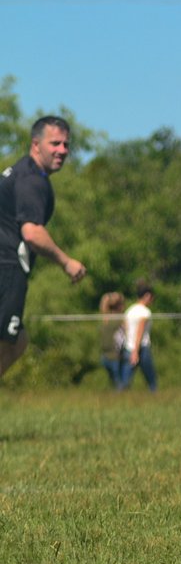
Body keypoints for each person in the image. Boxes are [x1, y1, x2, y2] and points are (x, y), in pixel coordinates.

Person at [0, 116, 87, 378]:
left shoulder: (20, 171)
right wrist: (66, 262)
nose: (62, 150)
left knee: (18, 340)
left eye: (66, 145)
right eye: (55, 143)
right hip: (6, 268)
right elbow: (33, 233)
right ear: (36, 144)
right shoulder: (32, 180)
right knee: (9, 342)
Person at [72, 291, 125, 386]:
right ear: (120, 306)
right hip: (116, 357)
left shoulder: (105, 319)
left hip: (104, 356)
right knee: (120, 385)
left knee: (113, 383)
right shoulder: (121, 320)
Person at [118, 281, 158, 392]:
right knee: (151, 379)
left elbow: (124, 328)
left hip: (128, 347)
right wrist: (136, 351)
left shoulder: (129, 311)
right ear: (147, 296)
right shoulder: (145, 312)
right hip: (141, 348)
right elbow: (140, 331)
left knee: (125, 379)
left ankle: (119, 396)